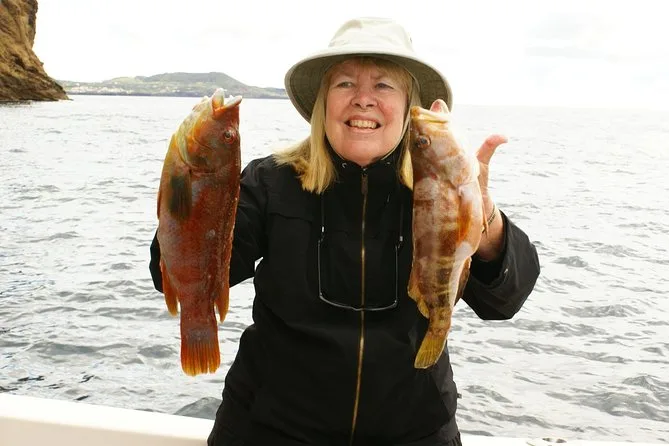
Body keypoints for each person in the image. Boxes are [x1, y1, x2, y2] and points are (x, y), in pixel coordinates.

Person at [149, 17, 540, 446]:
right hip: (270, 431)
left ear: (409, 106)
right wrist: (193, 190)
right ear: (323, 103)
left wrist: (483, 219)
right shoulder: (269, 181)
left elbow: (504, 300)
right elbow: (173, 272)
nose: (363, 100)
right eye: (345, 84)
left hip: (414, 435)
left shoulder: (441, 191)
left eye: (383, 86)